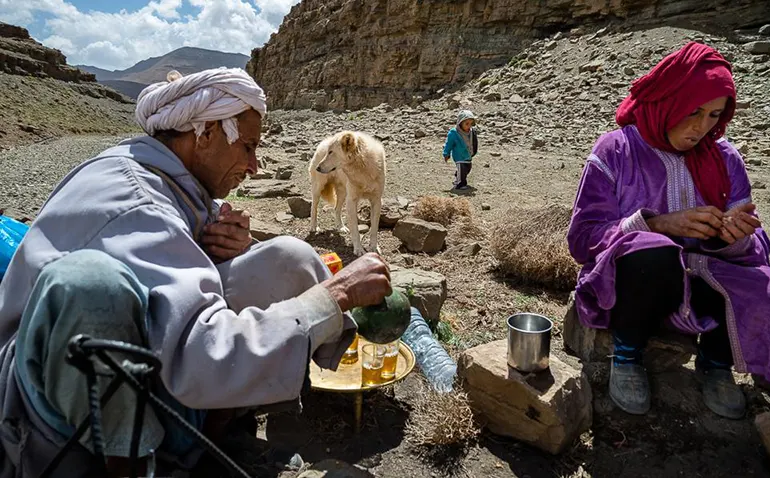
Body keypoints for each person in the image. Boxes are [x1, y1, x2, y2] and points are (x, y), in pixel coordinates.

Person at [0, 67, 393, 477]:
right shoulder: (138, 201)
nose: (254, 166)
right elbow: (204, 350)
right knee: (93, 286)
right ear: (204, 133)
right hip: (44, 427)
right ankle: (151, 463)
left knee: (286, 260)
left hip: (142, 365)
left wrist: (216, 246)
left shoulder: (169, 179)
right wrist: (337, 294)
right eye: (247, 147)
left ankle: (211, 438)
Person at [567, 42, 770, 420]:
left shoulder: (725, 157)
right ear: (667, 99)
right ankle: (626, 355)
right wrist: (655, 224)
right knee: (652, 251)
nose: (701, 127)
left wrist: (734, 237)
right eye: (693, 111)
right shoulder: (616, 150)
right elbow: (582, 238)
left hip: (709, 277)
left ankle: (715, 362)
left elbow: (755, 254)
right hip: (636, 283)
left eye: (714, 115)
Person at [442, 110, 479, 190]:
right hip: (459, 156)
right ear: (460, 123)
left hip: (468, 155)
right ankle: (460, 184)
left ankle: (458, 176)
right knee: (462, 168)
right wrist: (446, 153)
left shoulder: (471, 132)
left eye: (471, 123)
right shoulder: (454, 133)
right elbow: (449, 144)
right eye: (466, 124)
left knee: (467, 169)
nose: (469, 126)